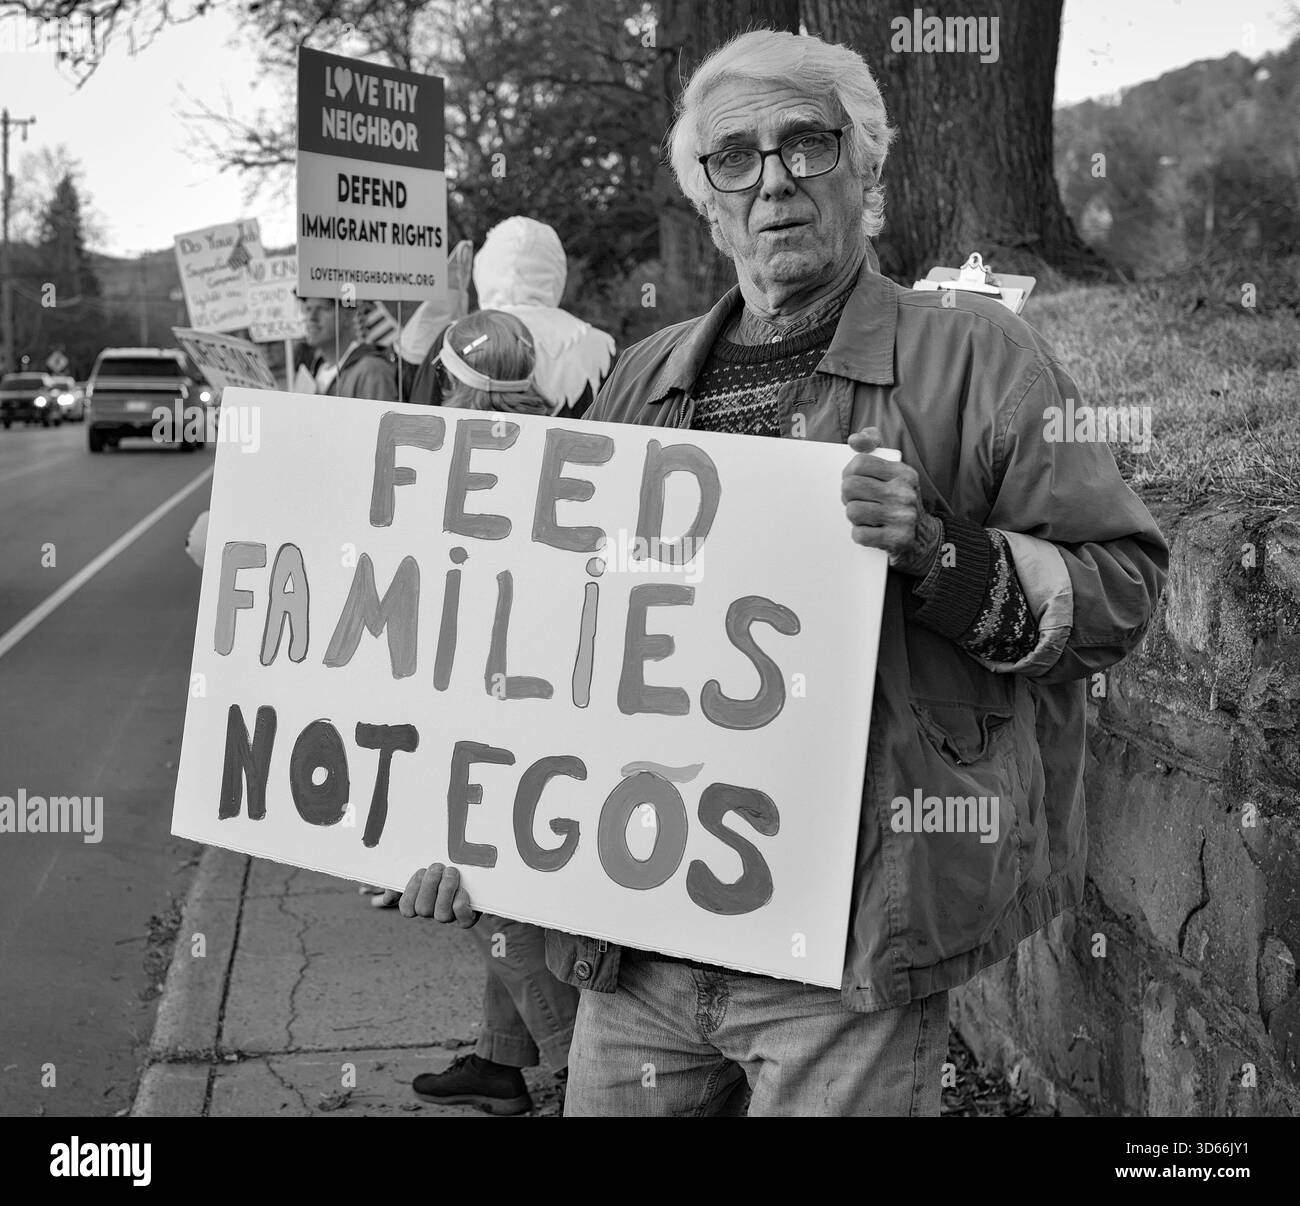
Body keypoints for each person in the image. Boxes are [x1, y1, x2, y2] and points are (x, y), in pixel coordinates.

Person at [392, 28, 1168, 1117]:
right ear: (706, 200)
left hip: (843, 956)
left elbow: (1121, 590)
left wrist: (939, 553)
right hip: (640, 944)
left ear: (866, 170)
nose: (772, 182)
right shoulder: (647, 377)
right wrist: (466, 835)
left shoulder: (982, 359)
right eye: (734, 158)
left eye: (806, 145)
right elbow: (552, 634)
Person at [399, 308, 578, 1115]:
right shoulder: (571, 447)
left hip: (495, 720)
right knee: (502, 892)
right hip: (540, 716)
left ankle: (582, 1065)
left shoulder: (454, 466)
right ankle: (501, 1061)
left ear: (451, 380)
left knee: (488, 902)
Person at [408, 218, 615, 418]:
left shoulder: (455, 337)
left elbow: (420, 424)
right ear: (557, 270)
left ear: (486, 265)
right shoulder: (601, 347)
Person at [297, 295, 398, 400]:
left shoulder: (371, 371)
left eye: (323, 308)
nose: (312, 318)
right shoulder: (315, 369)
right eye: (308, 309)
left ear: (347, 316)